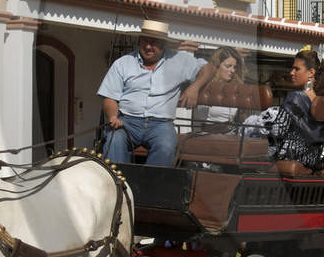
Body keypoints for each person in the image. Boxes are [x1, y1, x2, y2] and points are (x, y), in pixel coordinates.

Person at [97, 18, 206, 168]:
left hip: (161, 124)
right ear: (139, 41)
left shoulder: (179, 60)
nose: (148, 46)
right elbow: (110, 97)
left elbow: (208, 69)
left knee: (166, 145)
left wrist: (195, 87)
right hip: (127, 121)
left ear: (165, 44)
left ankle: (151, 185)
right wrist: (112, 116)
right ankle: (117, 182)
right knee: (113, 140)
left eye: (154, 42)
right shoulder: (122, 63)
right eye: (144, 41)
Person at [262, 48, 324, 171]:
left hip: (293, 156)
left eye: (297, 69)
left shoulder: (295, 97)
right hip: (315, 158)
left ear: (311, 73)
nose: (291, 72)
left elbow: (277, 131)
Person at [192, 46, 248, 131]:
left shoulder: (235, 88)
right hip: (210, 134)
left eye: (234, 67)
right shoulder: (206, 86)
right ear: (217, 65)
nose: (232, 70)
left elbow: (242, 119)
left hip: (231, 135)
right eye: (228, 66)